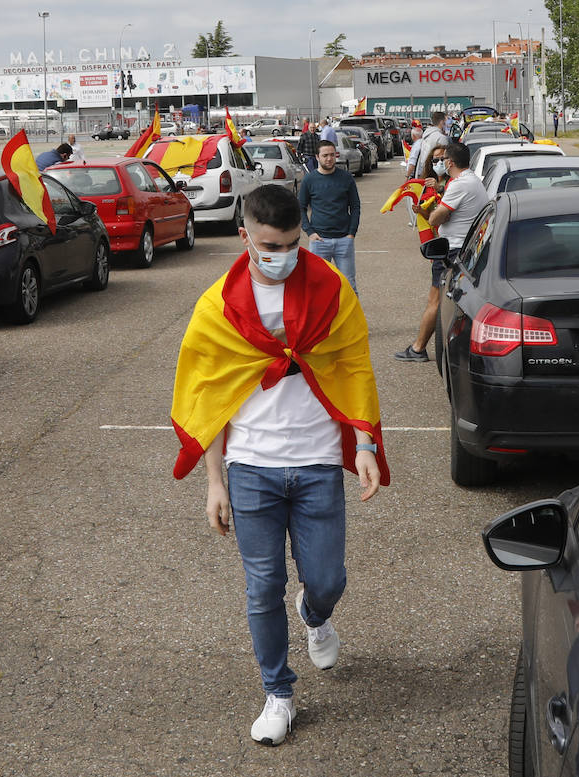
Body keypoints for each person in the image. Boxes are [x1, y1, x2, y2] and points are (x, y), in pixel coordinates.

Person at [170, 185, 388, 746]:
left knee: (327, 579)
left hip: (316, 462)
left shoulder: (330, 289)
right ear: (245, 237)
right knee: (261, 587)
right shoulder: (217, 305)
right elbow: (207, 397)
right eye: (270, 245)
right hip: (250, 467)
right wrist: (214, 481)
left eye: (293, 243)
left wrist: (364, 442)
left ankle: (315, 614)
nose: (284, 254)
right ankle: (278, 692)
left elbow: (355, 364)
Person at [395, 141, 486, 362]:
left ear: (450, 162)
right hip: (467, 249)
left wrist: (427, 210)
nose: (440, 163)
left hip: (452, 250)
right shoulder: (472, 181)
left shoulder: (458, 185)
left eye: (442, 159)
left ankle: (418, 349)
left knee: (434, 301)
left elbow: (437, 218)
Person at [298, 140, 361, 293]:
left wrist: (351, 233)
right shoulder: (309, 180)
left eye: (332, 155)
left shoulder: (346, 178)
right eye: (325, 155)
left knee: (349, 285)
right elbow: (300, 208)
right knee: (317, 286)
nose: (329, 159)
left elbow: (355, 206)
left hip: (344, 240)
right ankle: (321, 317)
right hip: (319, 241)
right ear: (317, 157)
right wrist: (310, 232)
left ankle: (350, 317)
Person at [407, 110, 450, 182]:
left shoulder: (426, 136)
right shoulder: (441, 138)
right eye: (446, 122)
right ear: (442, 122)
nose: (447, 125)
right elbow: (445, 158)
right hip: (436, 175)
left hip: (425, 172)